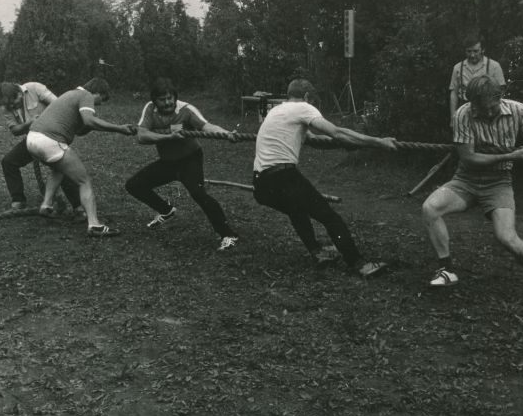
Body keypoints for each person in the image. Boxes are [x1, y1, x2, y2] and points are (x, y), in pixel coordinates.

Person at [422, 75, 523, 303]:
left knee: (506, 237)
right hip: (466, 179)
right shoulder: (463, 114)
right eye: (481, 109)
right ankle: (446, 270)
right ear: (472, 104)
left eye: (491, 107)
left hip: (498, 182)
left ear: (500, 97)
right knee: (430, 208)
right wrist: (510, 156)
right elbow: (468, 158)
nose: (487, 113)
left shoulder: (518, 110)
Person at [252, 78, 397, 277]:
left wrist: (346, 144)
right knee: (329, 216)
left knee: (297, 209)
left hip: (261, 185)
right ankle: (359, 263)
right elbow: (336, 131)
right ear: (307, 97)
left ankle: (318, 252)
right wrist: (378, 142)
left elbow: (314, 140)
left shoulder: (277, 111)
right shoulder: (303, 107)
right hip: (283, 177)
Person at [125, 77, 240, 251]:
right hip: (168, 162)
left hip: (189, 160)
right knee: (134, 185)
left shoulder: (186, 110)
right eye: (162, 99)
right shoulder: (150, 109)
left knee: (198, 193)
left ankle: (228, 234)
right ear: (154, 100)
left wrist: (226, 134)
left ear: (175, 97)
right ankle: (165, 210)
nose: (167, 102)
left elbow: (207, 127)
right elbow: (142, 136)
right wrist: (168, 137)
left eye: (170, 98)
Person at [26, 78, 133, 237]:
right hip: (49, 140)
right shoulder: (86, 95)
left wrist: (91, 125)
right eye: (100, 100)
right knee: (84, 181)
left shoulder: (70, 94)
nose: (98, 105)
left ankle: (46, 205)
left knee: (58, 169)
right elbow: (89, 120)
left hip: (32, 139)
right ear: (98, 92)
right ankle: (94, 225)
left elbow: (80, 129)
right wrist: (119, 129)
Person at [0, 81, 83, 216]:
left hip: (53, 136)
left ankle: (78, 206)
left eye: (14, 103)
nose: (12, 107)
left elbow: (61, 105)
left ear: (19, 92)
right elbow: (15, 130)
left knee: (60, 167)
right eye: (9, 107)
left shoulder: (35, 88)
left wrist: (45, 118)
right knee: (8, 162)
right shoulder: (7, 105)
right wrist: (29, 123)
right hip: (33, 139)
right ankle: (18, 201)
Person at [449, 34, 506, 127]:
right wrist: (453, 117)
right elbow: (454, 94)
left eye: (476, 51)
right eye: (469, 51)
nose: (472, 55)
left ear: (482, 50)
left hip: (487, 109)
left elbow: (501, 93)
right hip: (464, 108)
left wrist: (497, 113)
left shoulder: (494, 66)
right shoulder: (458, 68)